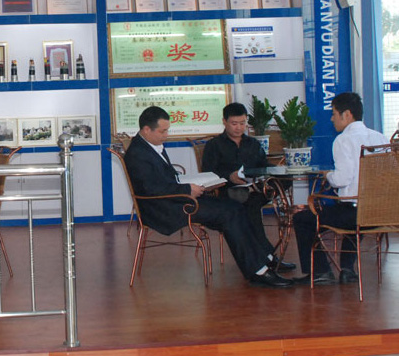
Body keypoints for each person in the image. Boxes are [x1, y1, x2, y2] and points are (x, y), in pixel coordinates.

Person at [123, 106, 292, 288]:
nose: (166, 135)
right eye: (163, 131)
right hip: (165, 209)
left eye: (167, 130)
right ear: (146, 129)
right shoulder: (138, 153)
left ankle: (261, 263)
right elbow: (151, 189)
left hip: (175, 199)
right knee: (230, 213)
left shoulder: (149, 145)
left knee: (236, 208)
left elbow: (164, 179)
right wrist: (188, 189)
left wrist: (191, 184)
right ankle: (258, 270)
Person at [292, 91, 387, 284]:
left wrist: (329, 175)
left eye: (334, 113)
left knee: (303, 219)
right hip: (380, 212)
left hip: (355, 214)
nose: (331, 118)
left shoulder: (343, 140)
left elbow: (342, 179)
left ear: (347, 114)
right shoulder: (381, 138)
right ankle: (347, 269)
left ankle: (319, 272)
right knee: (350, 212)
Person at [200, 102, 295, 272]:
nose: (239, 128)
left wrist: (276, 170)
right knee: (250, 206)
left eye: (242, 123)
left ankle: (266, 259)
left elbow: (262, 165)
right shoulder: (214, 145)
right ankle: (269, 258)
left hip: (255, 189)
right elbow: (208, 173)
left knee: (285, 179)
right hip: (227, 192)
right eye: (234, 123)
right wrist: (230, 176)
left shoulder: (252, 144)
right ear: (224, 122)